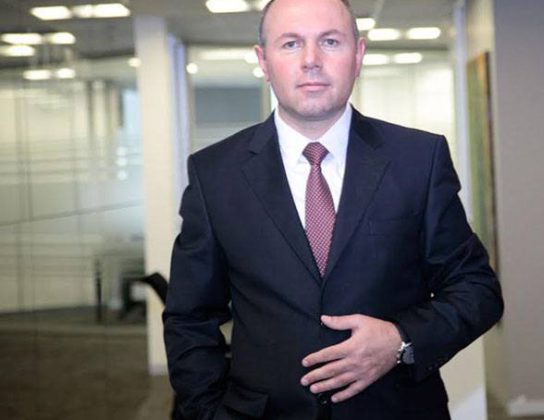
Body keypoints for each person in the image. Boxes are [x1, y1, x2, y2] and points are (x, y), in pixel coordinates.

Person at [163, 0, 504, 419]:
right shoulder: (215, 174)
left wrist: (400, 340)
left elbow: (477, 289)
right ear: (263, 60)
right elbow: (189, 318)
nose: (311, 60)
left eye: (330, 41)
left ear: (358, 55)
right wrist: (209, 413)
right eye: (291, 44)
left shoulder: (418, 159)